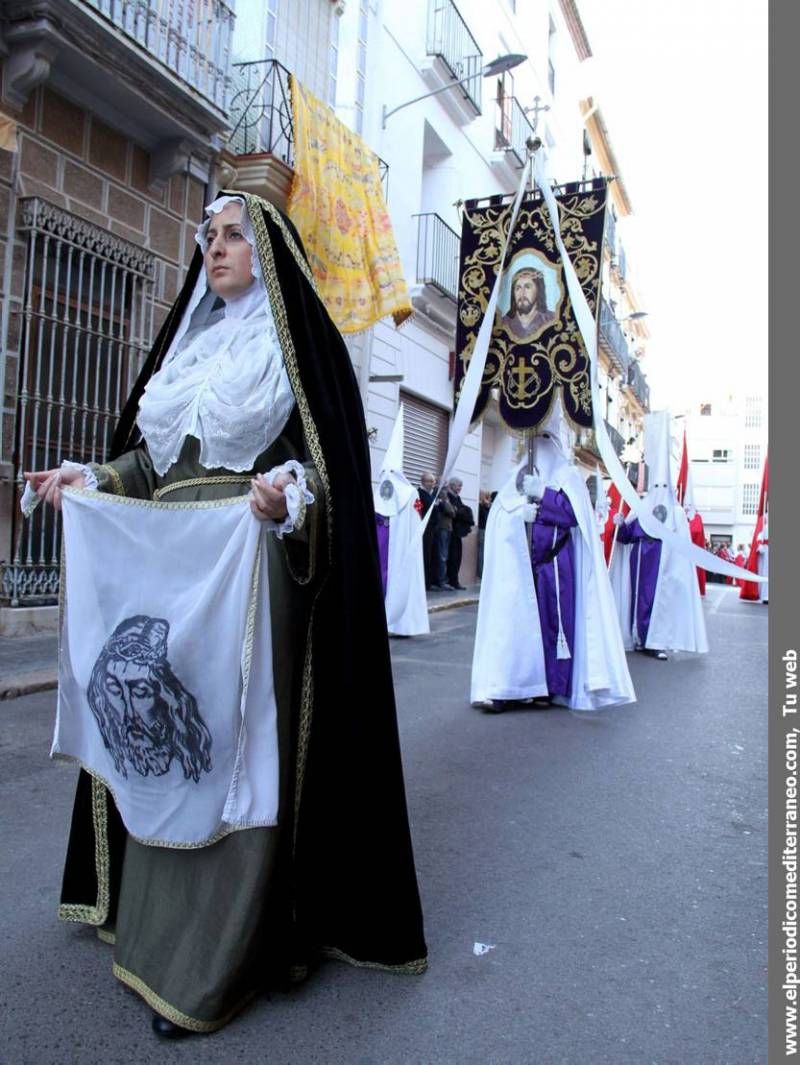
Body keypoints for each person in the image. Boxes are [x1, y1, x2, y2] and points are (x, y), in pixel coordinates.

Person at [25, 193, 427, 1036]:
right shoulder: (190, 349)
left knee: (223, 748)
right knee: (154, 739)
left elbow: (323, 482)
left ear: (267, 253)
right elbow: (151, 464)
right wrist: (88, 479)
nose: (215, 247)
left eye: (233, 234)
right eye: (207, 235)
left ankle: (217, 960)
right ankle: (148, 925)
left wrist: (287, 500)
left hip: (244, 570)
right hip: (165, 566)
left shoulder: (293, 354)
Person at [471, 399, 634, 712]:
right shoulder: (518, 474)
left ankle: (549, 687)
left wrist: (544, 497)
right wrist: (521, 513)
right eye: (537, 439)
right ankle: (510, 685)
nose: (540, 446)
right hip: (520, 568)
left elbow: (574, 515)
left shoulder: (567, 476)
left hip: (554, 566)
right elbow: (502, 513)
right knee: (516, 624)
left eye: (546, 439)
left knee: (551, 627)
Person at [609, 411, 708, 660]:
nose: (659, 490)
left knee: (657, 602)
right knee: (639, 600)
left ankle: (656, 640)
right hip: (640, 563)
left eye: (664, 486)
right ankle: (640, 638)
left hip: (663, 567)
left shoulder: (675, 513)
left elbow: (682, 545)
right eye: (657, 486)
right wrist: (620, 524)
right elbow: (627, 537)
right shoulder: (640, 508)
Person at [373, 409, 429, 636]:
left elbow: (415, 519)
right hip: (381, 543)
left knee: (398, 578)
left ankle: (399, 622)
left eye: (390, 471)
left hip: (399, 547)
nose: (386, 476)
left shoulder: (410, 494)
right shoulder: (379, 492)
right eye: (384, 471)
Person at [499, 267, 554, 339]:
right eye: (518, 288)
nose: (522, 293)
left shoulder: (551, 319)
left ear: (539, 290)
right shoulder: (503, 323)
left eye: (527, 287)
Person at [446, 477, 473, 590]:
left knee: (457, 557)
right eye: (458, 486)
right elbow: (454, 512)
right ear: (452, 485)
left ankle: (454, 580)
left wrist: (461, 511)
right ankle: (450, 581)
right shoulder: (448, 496)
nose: (460, 488)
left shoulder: (457, 497)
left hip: (457, 532)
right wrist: (460, 511)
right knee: (451, 557)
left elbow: (460, 511)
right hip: (450, 531)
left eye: (461, 486)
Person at [417, 472, 439, 590]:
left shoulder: (429, 495)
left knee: (430, 556)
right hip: (424, 530)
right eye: (430, 481)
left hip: (431, 530)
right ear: (424, 482)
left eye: (433, 481)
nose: (432, 484)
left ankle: (428, 582)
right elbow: (418, 511)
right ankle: (424, 583)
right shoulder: (419, 494)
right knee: (424, 556)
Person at [431, 484, 455, 590]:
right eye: (445, 487)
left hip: (447, 528)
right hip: (442, 529)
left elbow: (454, 512)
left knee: (444, 555)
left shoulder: (445, 498)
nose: (447, 490)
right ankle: (441, 581)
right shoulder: (441, 498)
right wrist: (447, 502)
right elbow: (450, 511)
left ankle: (442, 580)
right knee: (442, 556)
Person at [477, 489, 492, 578]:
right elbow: (485, 518)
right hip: (482, 529)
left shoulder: (485, 506)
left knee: (485, 551)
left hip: (486, 529)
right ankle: (481, 572)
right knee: (482, 552)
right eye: (486, 496)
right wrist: (486, 507)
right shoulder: (479, 506)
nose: (488, 499)